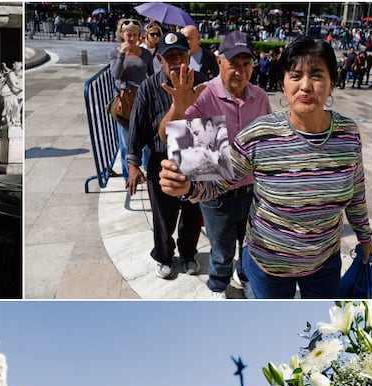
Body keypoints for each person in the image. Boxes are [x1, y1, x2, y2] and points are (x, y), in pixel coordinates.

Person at [159, 36, 372, 299]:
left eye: (317, 75)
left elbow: (356, 191)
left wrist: (364, 236)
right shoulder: (218, 102)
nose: (305, 86)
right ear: (283, 83)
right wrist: (187, 185)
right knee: (222, 248)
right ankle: (219, 284)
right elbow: (210, 174)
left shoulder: (348, 134)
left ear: (332, 83)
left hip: (324, 262)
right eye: (295, 76)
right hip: (268, 262)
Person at [158, 30, 271, 299]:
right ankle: (217, 286)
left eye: (247, 64)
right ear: (219, 61)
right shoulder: (203, 93)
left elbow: (267, 140)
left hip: (253, 192)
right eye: (234, 64)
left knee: (251, 246)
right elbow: (166, 133)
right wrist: (178, 106)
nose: (241, 72)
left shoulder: (261, 97)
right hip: (216, 193)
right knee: (221, 249)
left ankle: (244, 276)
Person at [127, 31, 208, 280]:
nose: (176, 61)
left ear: (188, 55)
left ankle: (188, 253)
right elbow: (137, 126)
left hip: (195, 157)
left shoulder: (203, 82)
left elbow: (213, 124)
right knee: (163, 215)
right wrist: (132, 163)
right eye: (169, 56)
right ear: (160, 60)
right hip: (161, 159)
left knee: (194, 213)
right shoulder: (149, 88)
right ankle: (163, 256)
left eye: (180, 55)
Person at [108, 20, 154, 167]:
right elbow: (115, 74)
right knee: (126, 141)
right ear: (122, 35)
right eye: (129, 34)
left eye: (135, 34)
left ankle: (147, 169)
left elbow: (151, 75)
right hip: (125, 101)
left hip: (143, 99)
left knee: (147, 139)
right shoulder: (114, 53)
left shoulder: (146, 54)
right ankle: (129, 175)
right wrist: (122, 54)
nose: (132, 38)